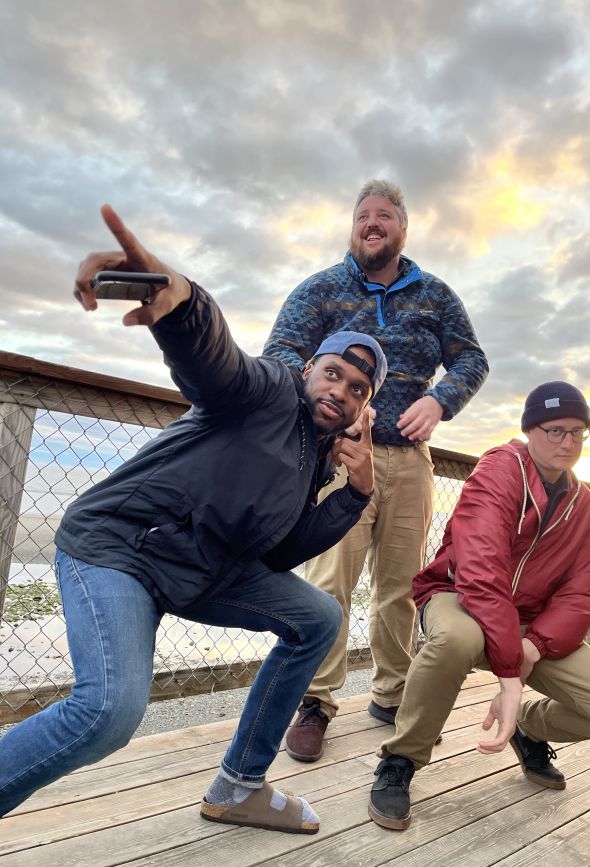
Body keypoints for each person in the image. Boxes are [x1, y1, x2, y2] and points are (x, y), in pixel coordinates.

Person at [0, 205, 389, 835]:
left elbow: (279, 553)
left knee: (317, 616)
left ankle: (239, 787)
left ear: (361, 411)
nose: (339, 391)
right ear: (309, 369)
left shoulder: (315, 458)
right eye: (333, 373)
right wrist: (177, 301)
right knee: (109, 711)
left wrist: (353, 495)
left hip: (200, 572)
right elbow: (215, 361)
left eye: (356, 391)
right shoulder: (265, 392)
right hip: (119, 551)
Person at [264, 180, 488, 762]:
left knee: (401, 586)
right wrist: (336, 403)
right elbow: (282, 353)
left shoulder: (435, 294)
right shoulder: (320, 288)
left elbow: (472, 356)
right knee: (329, 582)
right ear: (353, 227)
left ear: (401, 229)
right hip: (340, 456)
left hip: (412, 463)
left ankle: (392, 695)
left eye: (383, 216)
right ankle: (315, 700)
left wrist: (441, 400)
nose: (371, 223)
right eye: (362, 215)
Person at [368, 382, 590, 830]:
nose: (568, 442)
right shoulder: (500, 468)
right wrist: (509, 678)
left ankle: (530, 727)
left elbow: (582, 589)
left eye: (579, 432)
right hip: (458, 597)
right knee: (456, 639)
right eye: (555, 430)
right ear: (530, 430)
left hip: (529, 625)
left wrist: (534, 647)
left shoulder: (582, 501)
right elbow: (480, 571)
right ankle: (401, 759)